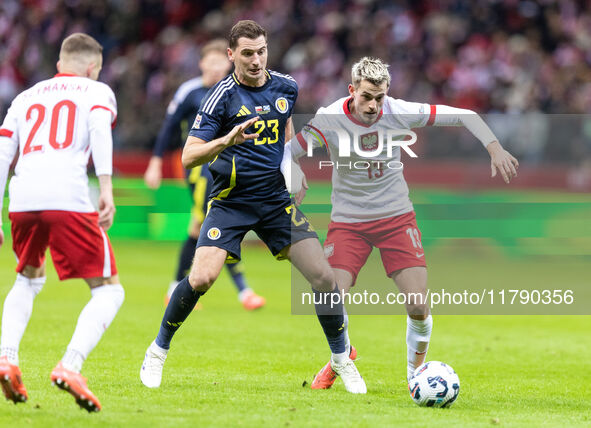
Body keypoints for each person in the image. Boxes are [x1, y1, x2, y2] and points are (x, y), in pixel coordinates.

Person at [140, 20, 366, 394]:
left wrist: (292, 169)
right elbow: (189, 154)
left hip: (275, 201)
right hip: (231, 202)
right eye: (247, 53)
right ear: (232, 56)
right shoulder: (220, 98)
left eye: (261, 50)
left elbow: (285, 130)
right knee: (201, 279)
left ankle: (341, 359)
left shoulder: (286, 87)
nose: (256, 59)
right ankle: (158, 350)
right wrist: (225, 141)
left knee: (325, 277)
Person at [286, 57, 519, 390]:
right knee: (331, 296)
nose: (373, 105)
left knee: (418, 304)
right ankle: (342, 356)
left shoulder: (399, 111)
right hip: (348, 222)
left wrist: (494, 147)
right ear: (352, 90)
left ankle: (415, 376)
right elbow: (288, 151)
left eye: (379, 97)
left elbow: (464, 115)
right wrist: (296, 173)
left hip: (395, 218)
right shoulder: (329, 119)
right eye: (366, 96)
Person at [0, 33, 124, 412]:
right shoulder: (96, 91)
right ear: (93, 68)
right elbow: (101, 131)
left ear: (59, 64)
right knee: (109, 290)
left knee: (28, 278)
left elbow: (3, 152)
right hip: (67, 196)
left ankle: (6, 358)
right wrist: (105, 187)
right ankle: (71, 365)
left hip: (22, 199)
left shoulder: (25, 97)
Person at [144, 39, 265, 311]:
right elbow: (169, 128)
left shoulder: (236, 90)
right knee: (220, 221)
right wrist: (155, 163)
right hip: (201, 171)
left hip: (231, 166)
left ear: (229, 61)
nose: (214, 67)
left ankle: (174, 288)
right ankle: (244, 291)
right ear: (200, 64)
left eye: (219, 62)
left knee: (199, 227)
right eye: (209, 62)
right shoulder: (190, 92)